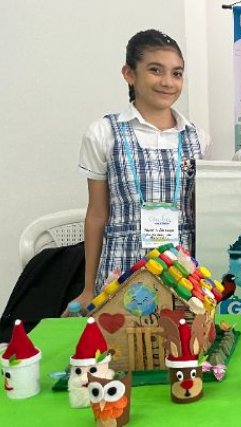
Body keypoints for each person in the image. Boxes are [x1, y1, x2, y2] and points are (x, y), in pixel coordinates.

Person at [74, 30, 211, 308]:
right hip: (121, 265)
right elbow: (97, 214)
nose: (167, 82)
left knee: (182, 344)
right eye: (155, 70)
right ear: (129, 73)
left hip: (181, 272)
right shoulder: (103, 132)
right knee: (121, 345)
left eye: (177, 73)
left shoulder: (198, 137)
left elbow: (202, 215)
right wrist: (88, 287)